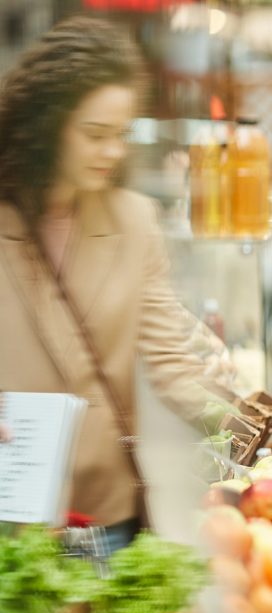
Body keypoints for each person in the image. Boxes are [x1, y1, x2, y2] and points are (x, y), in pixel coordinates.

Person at [0, 17, 234, 551]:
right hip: (10, 520)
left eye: (121, 135)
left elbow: (172, 362)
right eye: (94, 135)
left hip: (104, 517)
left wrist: (257, 431)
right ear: (46, 124)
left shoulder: (134, 222)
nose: (111, 152)